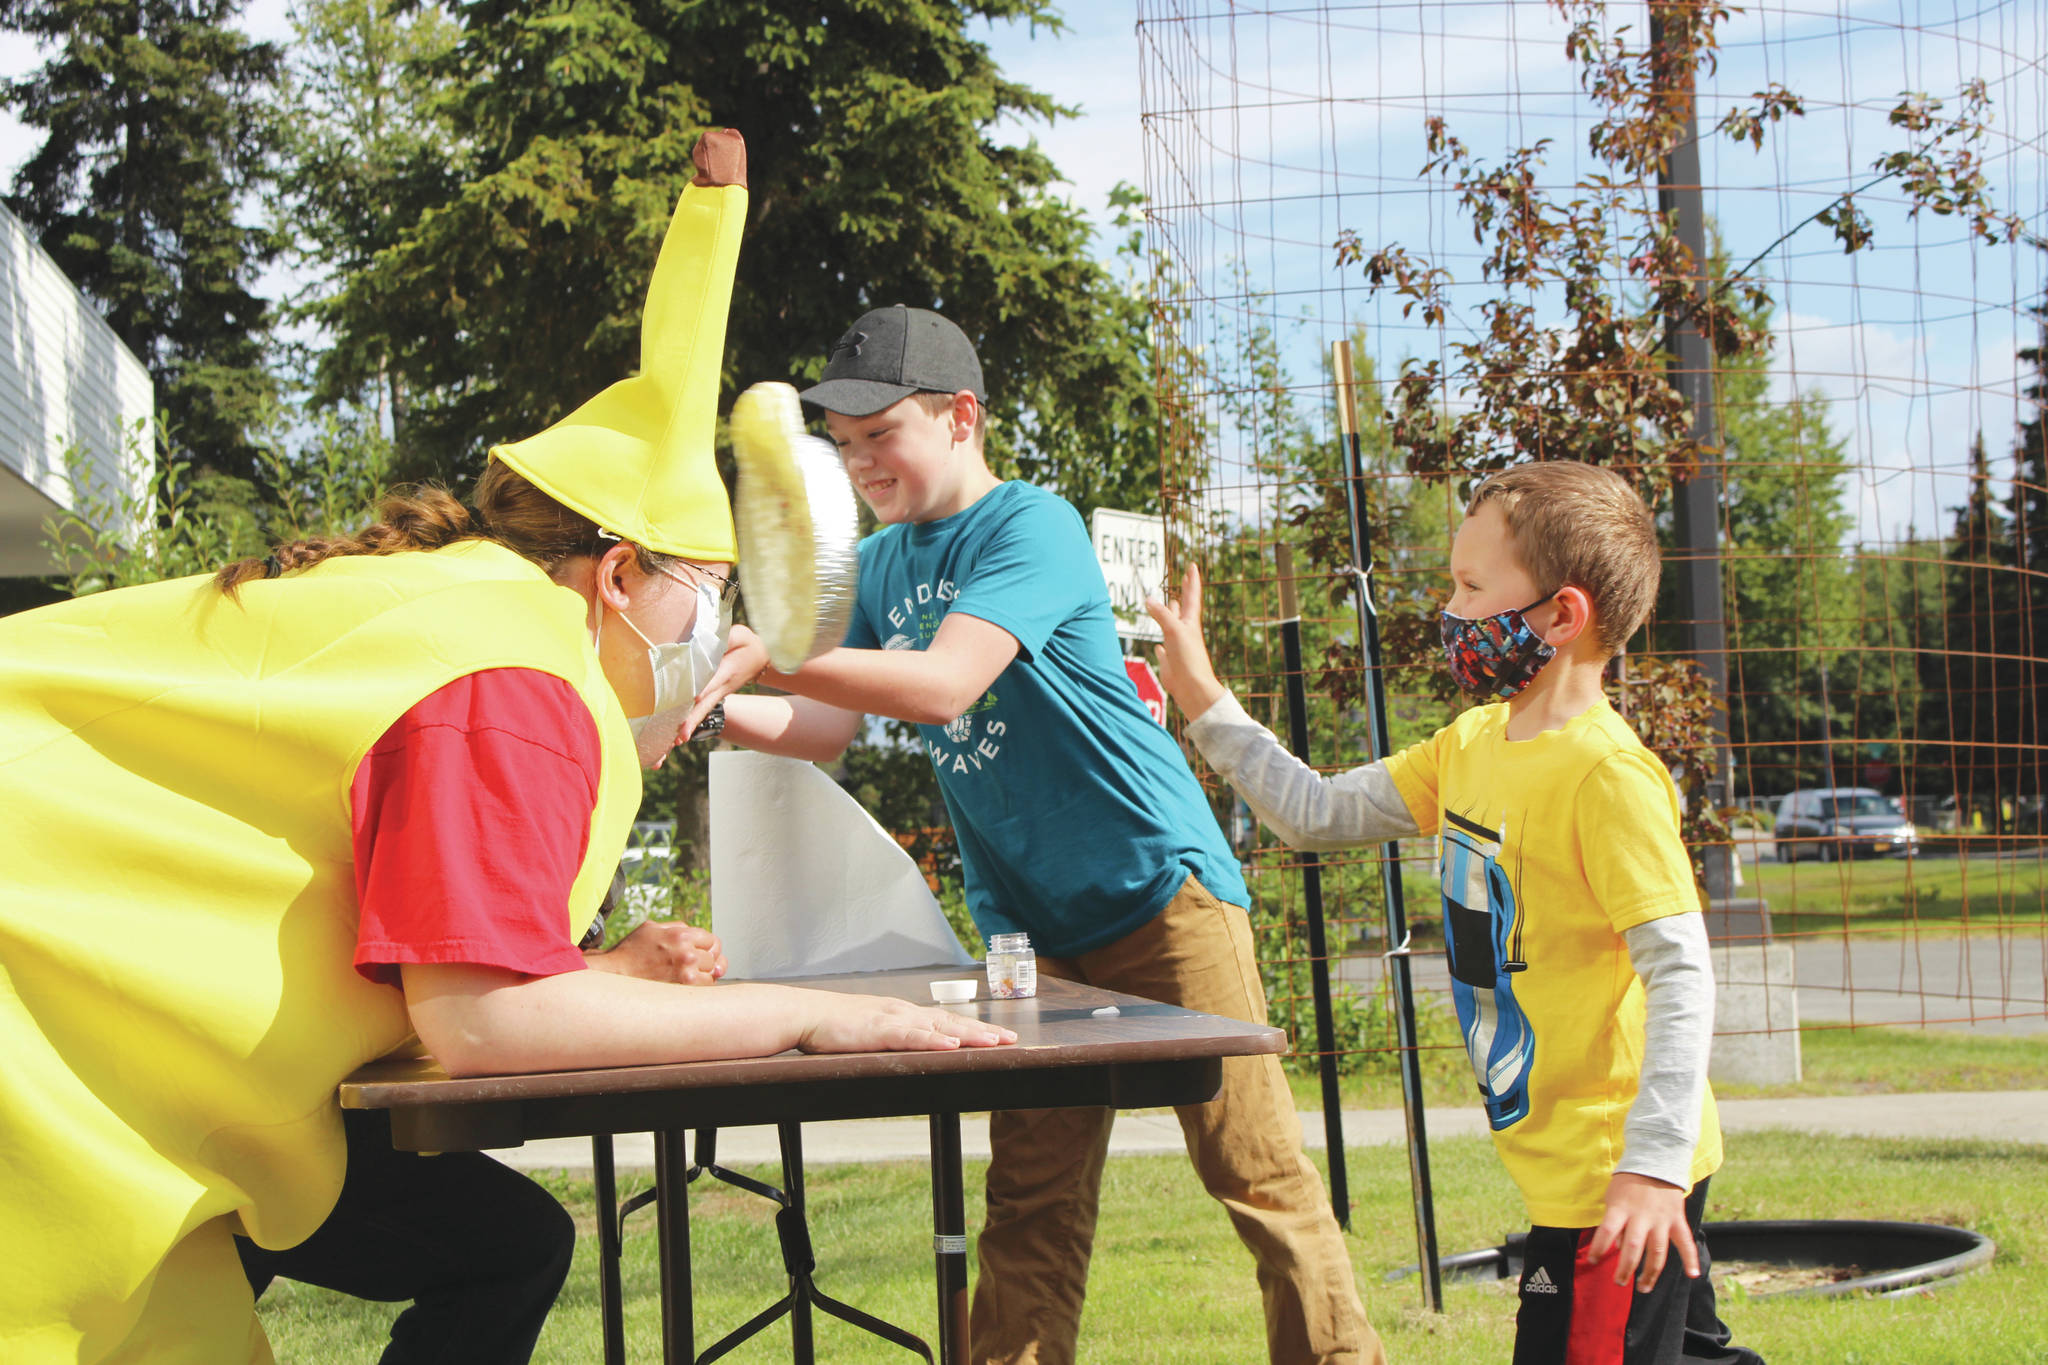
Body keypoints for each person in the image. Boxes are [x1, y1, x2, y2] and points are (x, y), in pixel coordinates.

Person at [0, 132, 1013, 1365]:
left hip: (98, 1037)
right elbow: (481, 1023)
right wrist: (803, 1019)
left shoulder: (468, 616)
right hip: (47, 1051)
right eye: (705, 588)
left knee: (497, 1241)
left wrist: (601, 975)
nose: (714, 625)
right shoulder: (512, 678)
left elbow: (427, 942)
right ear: (623, 574)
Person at [692, 305, 1382, 1365]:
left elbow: (939, 684)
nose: (861, 462)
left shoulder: (1031, 525)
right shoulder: (878, 570)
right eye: (843, 446)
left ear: (960, 416)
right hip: (1029, 929)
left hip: (1161, 892)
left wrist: (771, 651)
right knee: (1030, 1198)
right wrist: (708, 703)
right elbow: (823, 728)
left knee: (1255, 1175)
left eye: (882, 434)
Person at [1144, 460, 1764, 1365]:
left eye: (1472, 587)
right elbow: (1316, 810)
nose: (1451, 608)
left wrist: (1653, 1164)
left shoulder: (1607, 775)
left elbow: (1679, 968)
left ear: (1562, 614)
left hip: (1612, 1176)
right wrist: (1203, 698)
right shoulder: (1472, 743)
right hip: (1575, 1169)